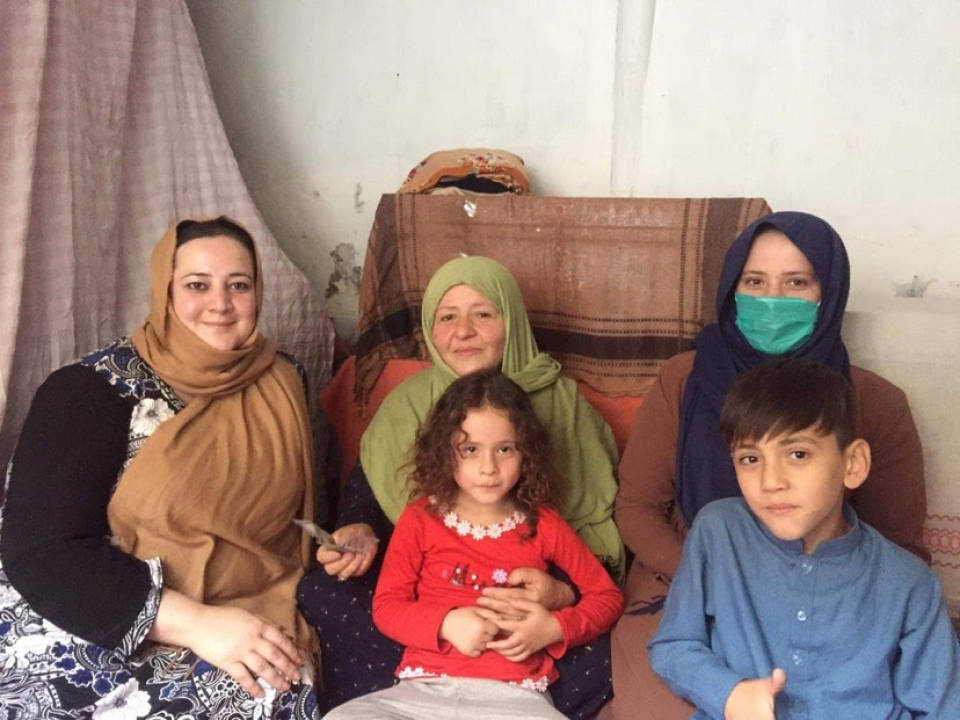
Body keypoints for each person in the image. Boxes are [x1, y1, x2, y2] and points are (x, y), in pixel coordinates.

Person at [611, 211, 930, 719]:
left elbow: (899, 552)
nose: (772, 300)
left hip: (828, 598)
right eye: (754, 282)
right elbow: (636, 507)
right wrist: (711, 577)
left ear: (829, 296)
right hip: (683, 586)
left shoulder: (874, 402)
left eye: (796, 283)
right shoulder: (685, 379)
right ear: (730, 290)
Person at [0, 217, 319, 719]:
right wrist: (196, 623)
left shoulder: (282, 379)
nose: (220, 304)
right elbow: (44, 550)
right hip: (86, 608)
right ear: (164, 292)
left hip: (246, 601)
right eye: (197, 285)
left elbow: (305, 508)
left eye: (239, 285)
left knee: (273, 689)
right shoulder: (89, 391)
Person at [297, 255, 623, 718]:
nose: (463, 331)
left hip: (528, 623)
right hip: (427, 616)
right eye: (447, 317)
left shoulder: (564, 407)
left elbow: (601, 564)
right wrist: (357, 532)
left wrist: (559, 601)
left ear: (512, 321)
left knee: (628, 638)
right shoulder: (407, 405)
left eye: (483, 314)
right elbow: (365, 508)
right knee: (322, 596)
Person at [648, 358, 960, 718]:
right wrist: (728, 693)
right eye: (750, 459)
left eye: (798, 454)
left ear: (853, 463)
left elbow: (942, 707)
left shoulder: (908, 583)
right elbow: (673, 644)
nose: (770, 481)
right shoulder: (719, 533)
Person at [325, 368, 624, 720]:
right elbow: (388, 606)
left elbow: (607, 598)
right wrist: (446, 624)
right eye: (469, 449)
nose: (488, 468)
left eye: (505, 449)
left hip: (516, 699)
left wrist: (554, 628)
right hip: (422, 692)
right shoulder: (420, 518)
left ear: (527, 452)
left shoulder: (544, 524)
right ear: (443, 451)